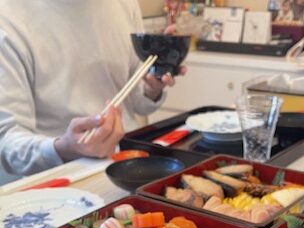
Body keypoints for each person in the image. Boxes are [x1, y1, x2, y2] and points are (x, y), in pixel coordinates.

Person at [0, 0, 185, 178]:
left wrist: (152, 88)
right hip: (60, 179)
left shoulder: (124, 4)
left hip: (130, 165)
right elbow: (6, 142)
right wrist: (65, 147)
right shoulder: (8, 17)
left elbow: (138, 103)